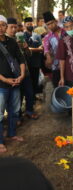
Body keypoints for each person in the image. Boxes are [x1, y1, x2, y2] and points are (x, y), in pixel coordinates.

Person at [0, 15, 25, 153]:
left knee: (14, 110)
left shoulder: (12, 41)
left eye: (3, 25)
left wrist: (21, 75)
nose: (1, 28)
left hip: (15, 82)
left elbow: (20, 59)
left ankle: (12, 133)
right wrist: (4, 79)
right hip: (1, 85)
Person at [6, 17, 38, 122]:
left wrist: (25, 47)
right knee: (17, 97)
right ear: (6, 28)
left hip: (25, 72)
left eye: (15, 27)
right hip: (12, 75)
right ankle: (18, 116)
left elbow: (28, 55)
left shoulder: (20, 39)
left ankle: (29, 111)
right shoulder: (4, 42)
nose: (14, 30)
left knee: (29, 93)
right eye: (11, 27)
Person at [43, 11, 66, 88]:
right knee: (58, 87)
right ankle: (59, 99)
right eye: (48, 24)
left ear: (56, 21)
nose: (50, 26)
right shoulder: (47, 37)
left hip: (69, 65)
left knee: (71, 88)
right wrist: (48, 57)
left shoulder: (65, 32)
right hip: (56, 67)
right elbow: (46, 49)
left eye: (51, 23)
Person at [23, 17, 44, 97]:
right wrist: (37, 49)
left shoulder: (37, 35)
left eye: (31, 24)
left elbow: (42, 48)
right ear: (25, 25)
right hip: (27, 64)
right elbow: (25, 49)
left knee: (35, 81)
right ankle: (28, 97)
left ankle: (34, 97)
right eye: (28, 24)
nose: (30, 25)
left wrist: (31, 49)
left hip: (36, 63)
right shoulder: (23, 36)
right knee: (28, 82)